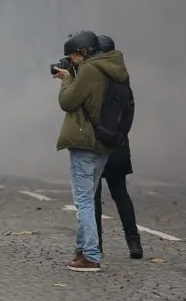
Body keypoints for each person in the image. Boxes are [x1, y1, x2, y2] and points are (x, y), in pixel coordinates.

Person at [53, 30, 130, 272]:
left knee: (84, 201)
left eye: (74, 55)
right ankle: (81, 251)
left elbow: (68, 101)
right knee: (88, 197)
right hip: (104, 142)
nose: (72, 59)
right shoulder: (114, 68)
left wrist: (67, 79)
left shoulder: (89, 70)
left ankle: (91, 255)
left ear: (85, 52)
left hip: (85, 141)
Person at [92, 35, 143, 259]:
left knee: (93, 196)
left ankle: (97, 245)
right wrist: (121, 136)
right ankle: (134, 242)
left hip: (96, 142)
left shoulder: (93, 73)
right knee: (121, 193)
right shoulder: (123, 75)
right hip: (119, 142)